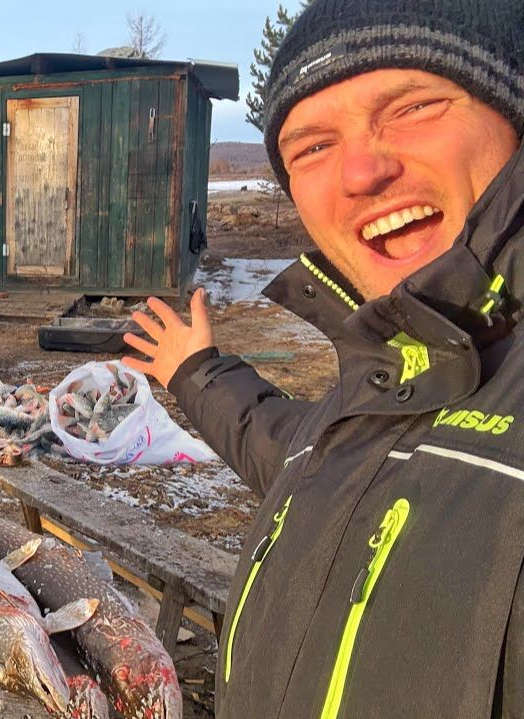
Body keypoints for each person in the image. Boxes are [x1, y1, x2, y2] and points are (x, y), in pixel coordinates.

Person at [122, 0, 524, 716]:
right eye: (311, 146)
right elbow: (291, 447)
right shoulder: (373, 399)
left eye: (414, 106)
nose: (362, 171)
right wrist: (195, 370)